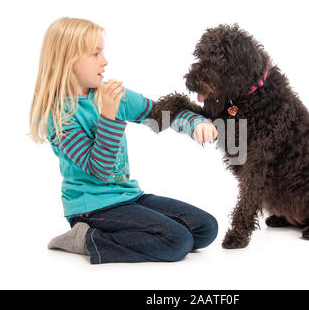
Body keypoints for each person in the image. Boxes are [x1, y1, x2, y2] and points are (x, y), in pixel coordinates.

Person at [29, 17, 218, 264]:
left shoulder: (108, 94)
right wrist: (109, 115)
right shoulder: (59, 116)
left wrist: (195, 123)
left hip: (129, 196)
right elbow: (99, 169)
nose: (104, 61)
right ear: (68, 60)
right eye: (95, 54)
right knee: (177, 241)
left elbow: (159, 113)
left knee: (205, 228)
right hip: (92, 208)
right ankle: (88, 239)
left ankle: (130, 232)